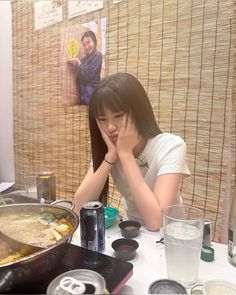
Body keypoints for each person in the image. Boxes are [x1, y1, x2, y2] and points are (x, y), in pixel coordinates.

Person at [74, 73, 190, 230]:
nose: (110, 127)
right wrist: (110, 156)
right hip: (131, 230)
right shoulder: (108, 151)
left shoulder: (171, 146)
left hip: (170, 237)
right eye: (102, 119)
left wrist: (126, 154)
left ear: (138, 112)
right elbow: (78, 207)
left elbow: (156, 222)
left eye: (118, 116)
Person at [67, 30, 102, 105]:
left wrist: (79, 63)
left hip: (93, 99)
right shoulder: (83, 60)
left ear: (94, 41)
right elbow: (79, 78)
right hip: (83, 99)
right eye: (84, 44)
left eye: (89, 42)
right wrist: (75, 65)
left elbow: (88, 76)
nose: (87, 46)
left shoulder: (98, 55)